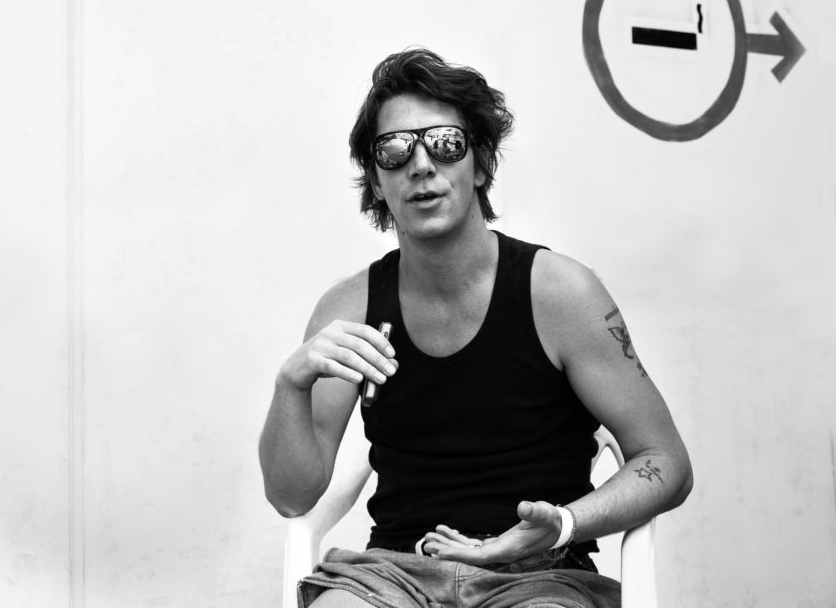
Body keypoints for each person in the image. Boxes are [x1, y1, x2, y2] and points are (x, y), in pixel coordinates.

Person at [258, 48, 693, 608]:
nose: (421, 166)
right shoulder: (350, 308)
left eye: (445, 144)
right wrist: (289, 385)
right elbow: (292, 498)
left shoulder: (560, 293)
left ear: (482, 163)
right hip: (395, 574)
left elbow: (666, 461)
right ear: (377, 179)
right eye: (394, 150)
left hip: (541, 576)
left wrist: (561, 524)